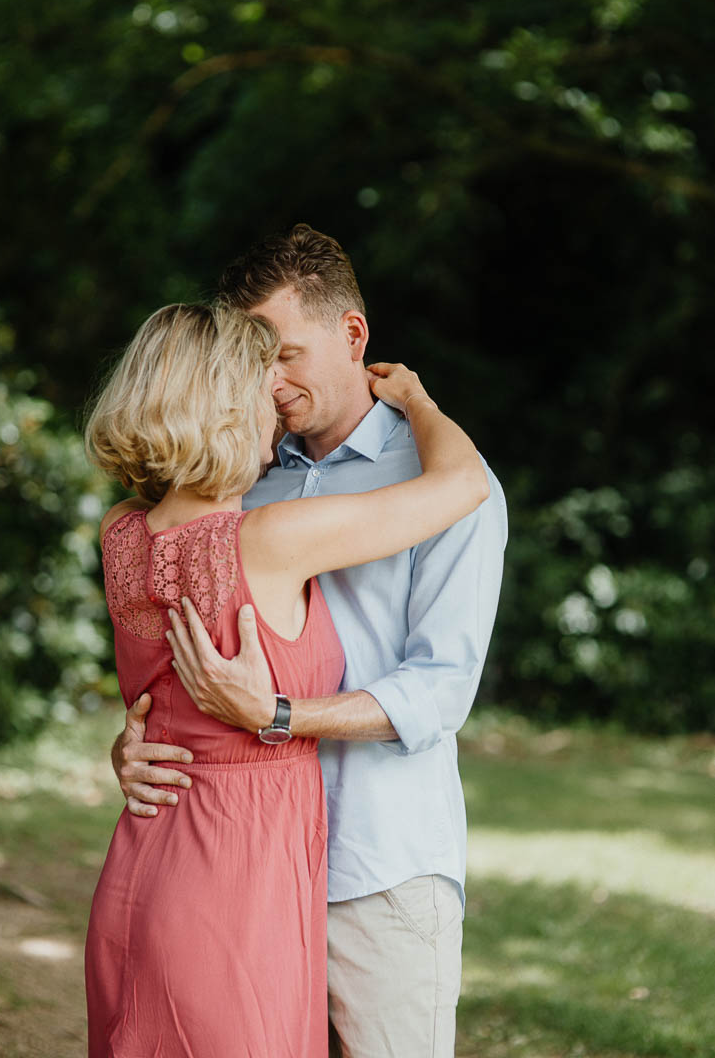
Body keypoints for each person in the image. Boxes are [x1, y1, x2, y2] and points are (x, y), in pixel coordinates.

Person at [113, 225, 508, 1058]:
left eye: (287, 354)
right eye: (254, 363)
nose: (271, 382)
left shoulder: (435, 479)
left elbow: (440, 689)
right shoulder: (238, 474)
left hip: (375, 863)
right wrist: (141, 737)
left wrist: (281, 713)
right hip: (239, 865)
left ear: (353, 335)